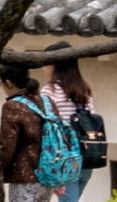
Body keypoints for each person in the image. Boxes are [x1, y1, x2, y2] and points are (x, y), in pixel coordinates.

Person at [38, 48, 97, 202]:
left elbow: (48, 128)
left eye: (46, 63)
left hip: (66, 157)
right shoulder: (85, 90)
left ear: (56, 65)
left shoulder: (49, 91)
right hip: (87, 155)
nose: (43, 67)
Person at [0, 65, 46, 201]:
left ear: (9, 83)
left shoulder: (13, 106)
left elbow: (7, 145)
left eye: (1, 83)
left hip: (25, 175)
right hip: (48, 173)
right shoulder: (45, 101)